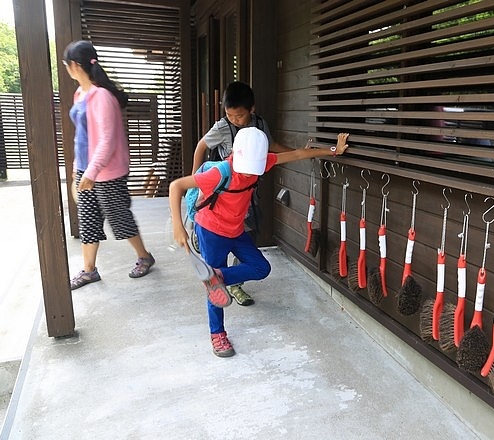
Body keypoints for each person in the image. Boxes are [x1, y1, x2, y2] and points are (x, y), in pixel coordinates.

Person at [169, 127, 349, 357]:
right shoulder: (221, 171)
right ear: (236, 154)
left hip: (235, 230)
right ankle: (218, 334)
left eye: (252, 169)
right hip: (211, 231)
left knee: (260, 268)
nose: (247, 174)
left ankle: (218, 277)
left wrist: (333, 150)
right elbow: (177, 186)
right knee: (214, 290)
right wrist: (178, 225)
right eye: (245, 169)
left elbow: (296, 155)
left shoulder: (260, 163)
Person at [192, 81, 296, 307]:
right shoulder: (222, 127)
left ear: (252, 109)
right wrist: (196, 182)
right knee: (219, 244)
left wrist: (298, 152)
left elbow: (273, 146)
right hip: (223, 196)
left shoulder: (260, 125)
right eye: (229, 115)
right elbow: (202, 146)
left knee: (248, 240)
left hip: (248, 195)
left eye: (239, 116)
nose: (234, 120)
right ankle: (218, 277)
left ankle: (234, 284)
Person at [63, 40, 155, 290]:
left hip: (107, 173)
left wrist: (91, 172)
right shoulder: (80, 93)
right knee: (88, 220)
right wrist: (76, 167)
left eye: (66, 65)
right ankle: (89, 270)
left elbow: (107, 140)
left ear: (73, 65)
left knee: (119, 218)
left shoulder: (102, 97)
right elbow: (80, 136)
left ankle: (145, 256)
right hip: (87, 169)